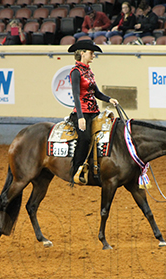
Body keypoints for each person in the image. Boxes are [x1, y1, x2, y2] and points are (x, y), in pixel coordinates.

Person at [67, 40, 119, 184]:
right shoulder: (75, 72)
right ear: (82, 53)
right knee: (84, 138)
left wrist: (109, 99)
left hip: (94, 111)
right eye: (91, 53)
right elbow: (76, 95)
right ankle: (76, 171)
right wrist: (80, 117)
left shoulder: (89, 72)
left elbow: (96, 93)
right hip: (82, 112)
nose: (93, 56)